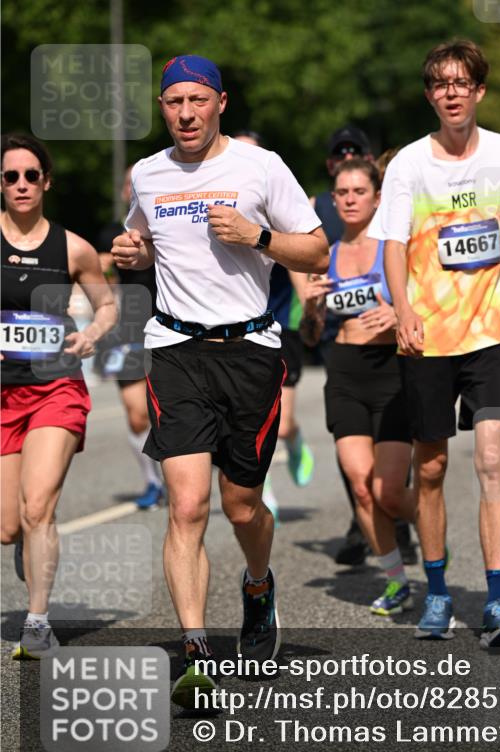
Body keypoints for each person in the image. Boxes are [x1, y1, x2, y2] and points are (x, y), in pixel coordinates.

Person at [111, 55, 327, 710]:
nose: (184, 113)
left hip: (251, 352)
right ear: (162, 106)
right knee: (186, 506)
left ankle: (258, 585)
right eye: (172, 101)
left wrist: (258, 236)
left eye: (196, 100)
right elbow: (140, 240)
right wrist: (132, 253)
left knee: (240, 507)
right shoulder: (148, 175)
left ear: (219, 103)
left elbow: (315, 249)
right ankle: (196, 652)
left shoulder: (260, 168)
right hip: (175, 349)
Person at [373, 39, 500, 647]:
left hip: (490, 335)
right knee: (430, 468)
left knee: (492, 462)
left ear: (479, 90)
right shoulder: (408, 165)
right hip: (427, 337)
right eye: (439, 84)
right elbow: (394, 244)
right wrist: (402, 310)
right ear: (430, 95)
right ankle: (438, 593)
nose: (450, 92)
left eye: (461, 83)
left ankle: (498, 602)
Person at [1, 134, 116, 658]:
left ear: (46, 182)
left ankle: (39, 621)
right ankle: (29, 533)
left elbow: (109, 305)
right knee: (8, 526)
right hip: (4, 396)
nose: (21, 185)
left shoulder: (73, 248)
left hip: (56, 387)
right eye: (10, 177)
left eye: (30, 175)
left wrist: (91, 335)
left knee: (39, 504)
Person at [301, 158, 416, 615]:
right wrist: (311, 309)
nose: (349, 200)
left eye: (358, 192)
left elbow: (422, 305)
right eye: (342, 193)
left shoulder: (393, 248)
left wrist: (398, 313)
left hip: (392, 371)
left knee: (388, 491)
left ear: (377, 197)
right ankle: (396, 581)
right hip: (344, 371)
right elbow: (311, 338)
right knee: (361, 487)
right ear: (333, 200)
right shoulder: (323, 253)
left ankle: (430, 522)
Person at [232, 129, 315, 522]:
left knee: (279, 427)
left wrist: (310, 304)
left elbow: (303, 261)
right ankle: (262, 491)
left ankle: (295, 438)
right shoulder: (216, 206)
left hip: (281, 326)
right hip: (234, 335)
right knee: (243, 425)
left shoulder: (276, 205)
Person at [96, 166, 163, 509]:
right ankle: (153, 482)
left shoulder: (168, 225)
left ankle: (180, 472)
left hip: (171, 327)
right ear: (124, 192)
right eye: (128, 185)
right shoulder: (113, 230)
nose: (134, 190)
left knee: (168, 413)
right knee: (137, 414)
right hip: (130, 331)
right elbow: (102, 275)